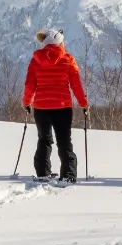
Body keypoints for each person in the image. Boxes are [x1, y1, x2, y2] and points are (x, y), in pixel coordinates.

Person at [22, 28, 89, 184]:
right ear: (60, 42)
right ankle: (68, 175)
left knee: (44, 140)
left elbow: (29, 85)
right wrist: (84, 104)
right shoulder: (68, 59)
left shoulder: (35, 60)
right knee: (64, 141)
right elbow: (76, 85)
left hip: (41, 107)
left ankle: (42, 173)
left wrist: (26, 102)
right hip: (62, 107)